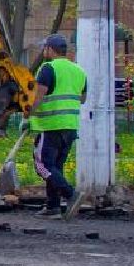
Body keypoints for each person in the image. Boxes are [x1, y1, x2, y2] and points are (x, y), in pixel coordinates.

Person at [30, 33, 87, 217]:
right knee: (56, 167)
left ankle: (71, 195)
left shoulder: (48, 68)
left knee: (43, 165)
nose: (43, 51)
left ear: (50, 49)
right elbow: (83, 99)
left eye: (44, 48)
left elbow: (38, 97)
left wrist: (27, 116)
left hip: (51, 125)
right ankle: (52, 206)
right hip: (70, 126)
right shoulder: (78, 70)